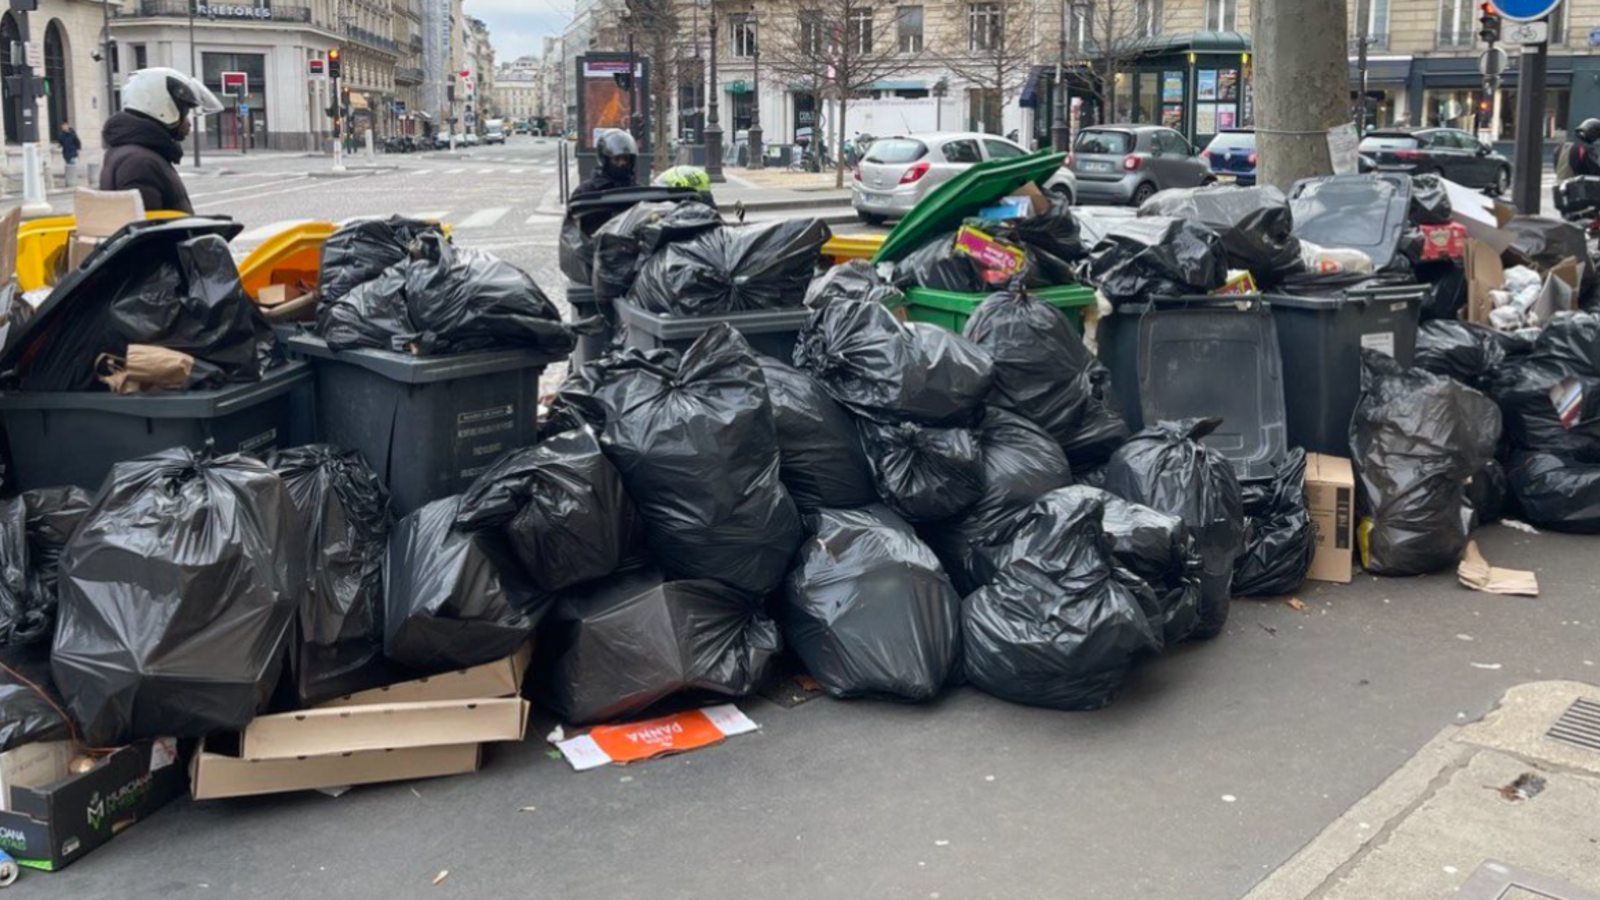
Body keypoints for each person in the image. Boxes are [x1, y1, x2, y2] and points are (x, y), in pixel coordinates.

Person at [100, 67, 223, 214]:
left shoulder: (136, 153)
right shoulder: (140, 161)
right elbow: (149, 231)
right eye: (185, 113)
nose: (189, 123)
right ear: (163, 107)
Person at [570, 129, 638, 201]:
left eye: (626, 159)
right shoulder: (586, 191)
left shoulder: (638, 191)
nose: (622, 163)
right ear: (605, 160)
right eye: (617, 159)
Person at [57, 122, 81, 187]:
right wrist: (59, 145)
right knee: (68, 165)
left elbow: (77, 141)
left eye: (64, 126)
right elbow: (60, 142)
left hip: (72, 152)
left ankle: (73, 181)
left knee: (72, 164)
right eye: (62, 127)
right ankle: (71, 180)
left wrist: (78, 149)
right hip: (65, 152)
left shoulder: (72, 133)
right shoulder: (61, 134)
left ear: (67, 126)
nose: (63, 128)